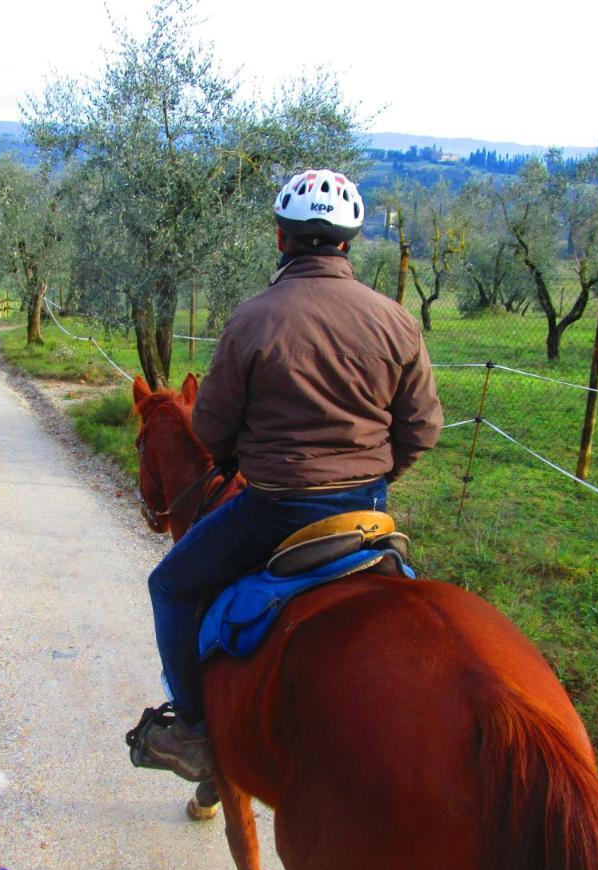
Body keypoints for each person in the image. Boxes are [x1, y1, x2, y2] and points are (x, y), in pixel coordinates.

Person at [137, 169, 444, 783]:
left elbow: (213, 431)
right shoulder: (397, 321)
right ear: (348, 245)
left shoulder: (253, 318)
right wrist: (376, 480)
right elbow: (423, 430)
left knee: (169, 586)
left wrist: (253, 451)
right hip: (367, 510)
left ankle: (194, 730)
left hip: (273, 510)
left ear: (281, 240)